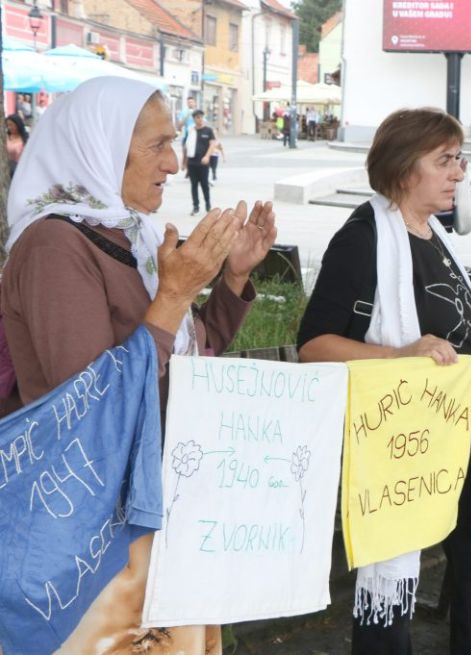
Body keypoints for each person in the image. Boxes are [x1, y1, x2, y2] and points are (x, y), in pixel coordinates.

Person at [2, 75, 276, 654]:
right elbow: (92, 404)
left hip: (156, 507)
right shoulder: (54, 246)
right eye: (157, 145)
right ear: (100, 148)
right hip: (93, 539)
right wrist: (174, 295)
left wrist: (231, 278)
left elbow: (188, 358)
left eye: (173, 143)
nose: (174, 163)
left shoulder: (136, 236)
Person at [297, 107, 471, 655]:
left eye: (459, 159)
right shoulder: (363, 239)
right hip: (402, 445)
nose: (459, 172)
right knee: (390, 604)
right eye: (444, 160)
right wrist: (399, 354)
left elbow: (450, 331)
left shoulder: (434, 235)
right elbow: (314, 347)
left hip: (461, 433)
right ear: (402, 168)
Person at [183, 109, 217, 215]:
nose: (200, 119)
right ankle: (195, 207)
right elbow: (186, 146)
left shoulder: (208, 130)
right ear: (194, 119)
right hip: (192, 163)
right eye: (197, 117)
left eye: (201, 117)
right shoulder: (191, 131)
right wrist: (184, 163)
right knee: (193, 185)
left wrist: (207, 156)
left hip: (203, 163)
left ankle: (208, 205)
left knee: (204, 185)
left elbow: (212, 144)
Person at [5, 113, 29, 178]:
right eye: (7, 125)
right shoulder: (6, 138)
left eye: (11, 125)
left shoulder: (25, 138)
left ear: (18, 124)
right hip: (8, 169)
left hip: (20, 169)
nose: (9, 127)